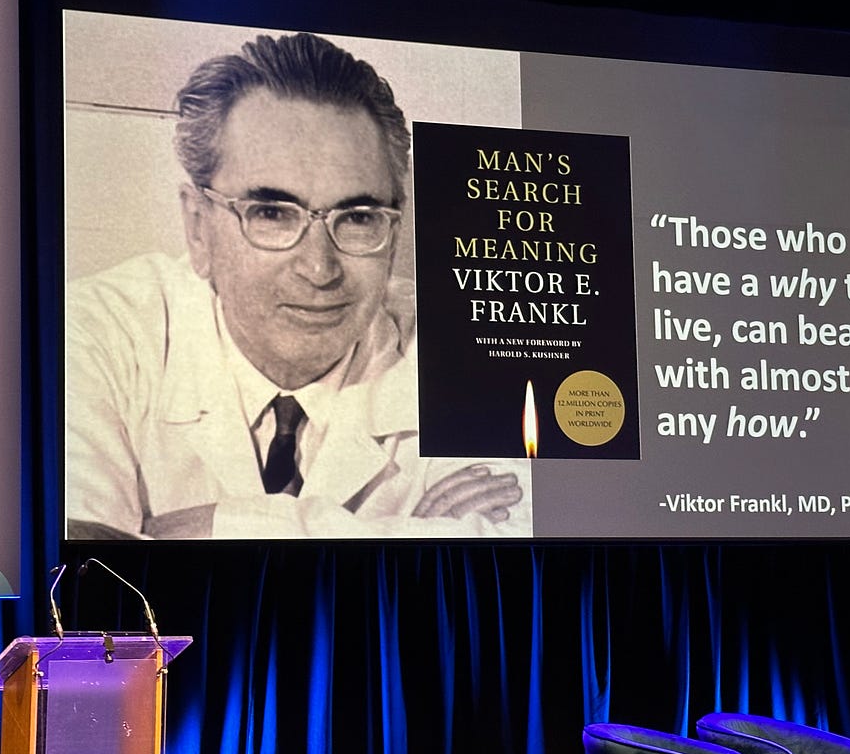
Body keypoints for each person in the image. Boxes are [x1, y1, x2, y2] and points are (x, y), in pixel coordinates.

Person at [66, 31, 528, 539]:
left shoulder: (470, 348)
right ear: (199, 228)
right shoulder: (92, 332)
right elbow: (80, 579)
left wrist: (223, 527)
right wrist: (406, 545)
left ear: (394, 231)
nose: (319, 268)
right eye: (271, 213)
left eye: (357, 217)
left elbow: (531, 551)